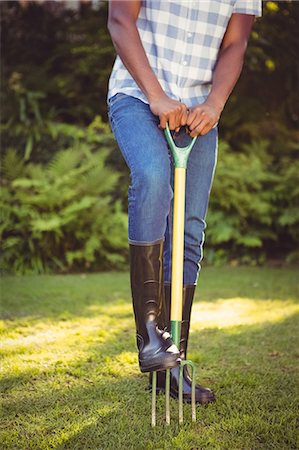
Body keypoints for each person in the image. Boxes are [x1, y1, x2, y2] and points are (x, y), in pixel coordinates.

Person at [107, 0, 262, 404]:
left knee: (189, 230)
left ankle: (172, 367)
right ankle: (150, 338)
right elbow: (121, 18)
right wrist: (157, 95)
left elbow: (236, 42)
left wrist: (215, 103)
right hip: (139, 97)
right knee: (154, 176)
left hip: (198, 113)